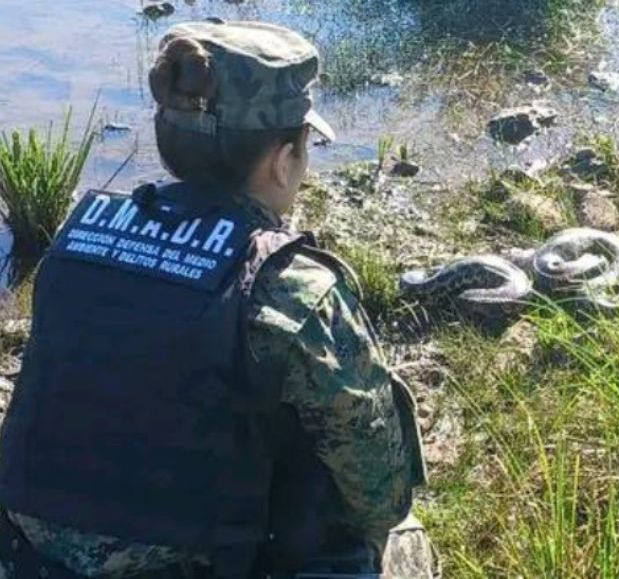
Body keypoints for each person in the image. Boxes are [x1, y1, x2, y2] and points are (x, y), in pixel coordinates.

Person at [0, 20, 431, 579]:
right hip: (194, 562)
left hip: (32, 557)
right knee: (396, 536)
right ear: (284, 160)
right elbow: (380, 493)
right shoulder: (293, 286)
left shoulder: (78, 239)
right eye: (304, 147)